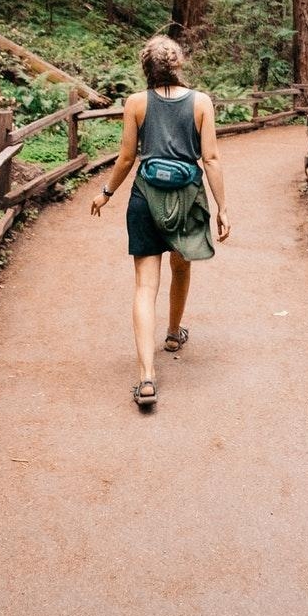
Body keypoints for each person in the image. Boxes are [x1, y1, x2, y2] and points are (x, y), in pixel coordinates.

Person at [90, 34, 230, 408]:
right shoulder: (201, 102)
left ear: (146, 67)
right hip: (186, 201)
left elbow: (125, 158)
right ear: (178, 63)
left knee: (143, 286)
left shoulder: (136, 103)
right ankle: (172, 333)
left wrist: (105, 193)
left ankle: (146, 377)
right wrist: (222, 207)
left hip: (144, 200)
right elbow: (211, 159)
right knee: (181, 266)